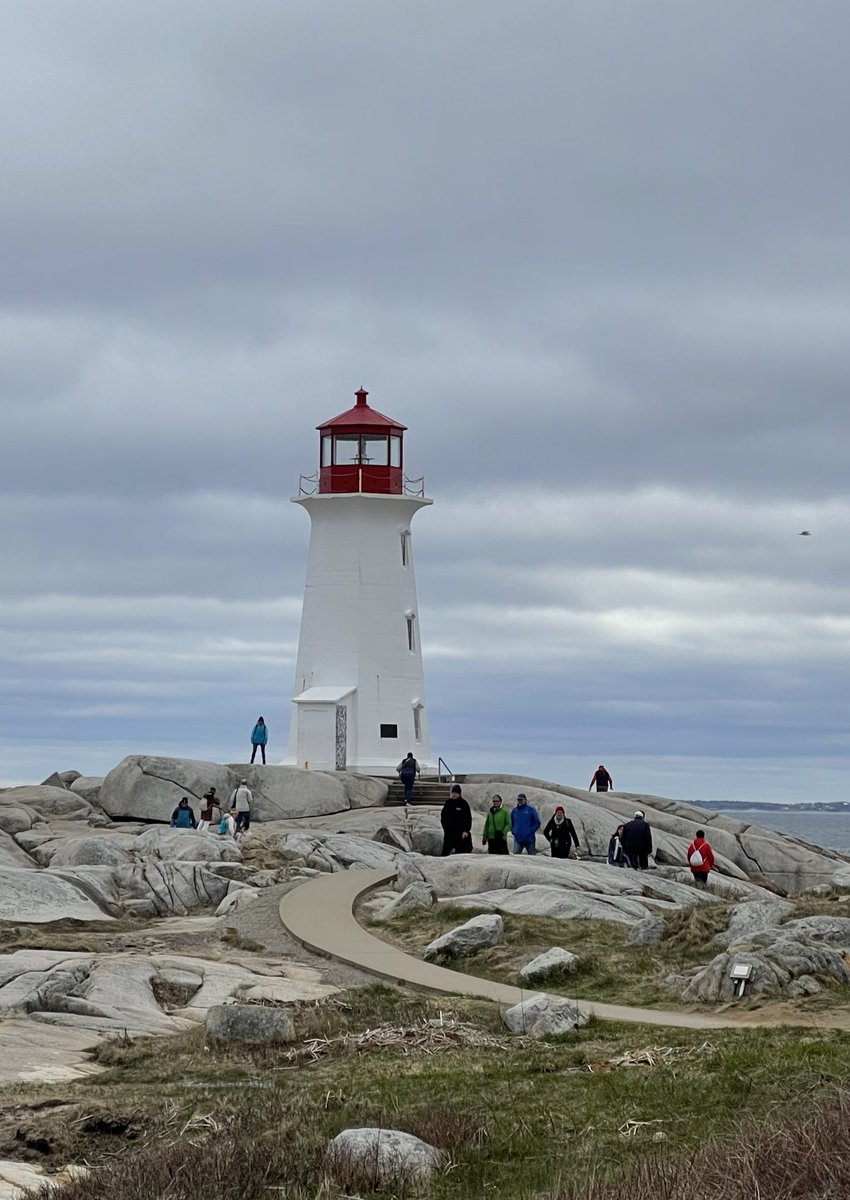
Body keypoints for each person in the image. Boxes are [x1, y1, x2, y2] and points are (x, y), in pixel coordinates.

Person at [440, 784, 472, 855]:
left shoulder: (464, 804)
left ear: (459, 794)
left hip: (460, 834)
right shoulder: (448, 803)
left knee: (461, 854)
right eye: (453, 793)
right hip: (449, 833)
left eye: (456, 793)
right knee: (445, 853)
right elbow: (443, 816)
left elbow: (468, 818)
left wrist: (466, 830)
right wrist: (445, 828)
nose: (454, 794)